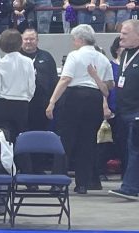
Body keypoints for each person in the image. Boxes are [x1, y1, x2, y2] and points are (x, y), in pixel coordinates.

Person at [46, 24, 113, 194]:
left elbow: (65, 79)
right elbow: (109, 85)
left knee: (65, 140)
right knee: (87, 141)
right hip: (94, 98)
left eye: (74, 39)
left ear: (81, 40)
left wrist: (52, 101)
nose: (73, 42)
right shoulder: (103, 58)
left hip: (74, 97)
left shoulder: (75, 55)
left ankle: (57, 182)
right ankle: (83, 183)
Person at [110, 20, 139, 200]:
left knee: (135, 149)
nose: (121, 36)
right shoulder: (126, 54)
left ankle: (129, 187)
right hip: (124, 112)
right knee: (129, 151)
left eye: (125, 34)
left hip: (137, 113)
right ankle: (130, 185)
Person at [0, 29, 35, 142]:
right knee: (21, 138)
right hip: (22, 105)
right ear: (20, 43)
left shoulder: (0, 63)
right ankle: (21, 159)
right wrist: (26, 98)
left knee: (1, 139)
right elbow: (32, 86)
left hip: (2, 105)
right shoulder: (28, 61)